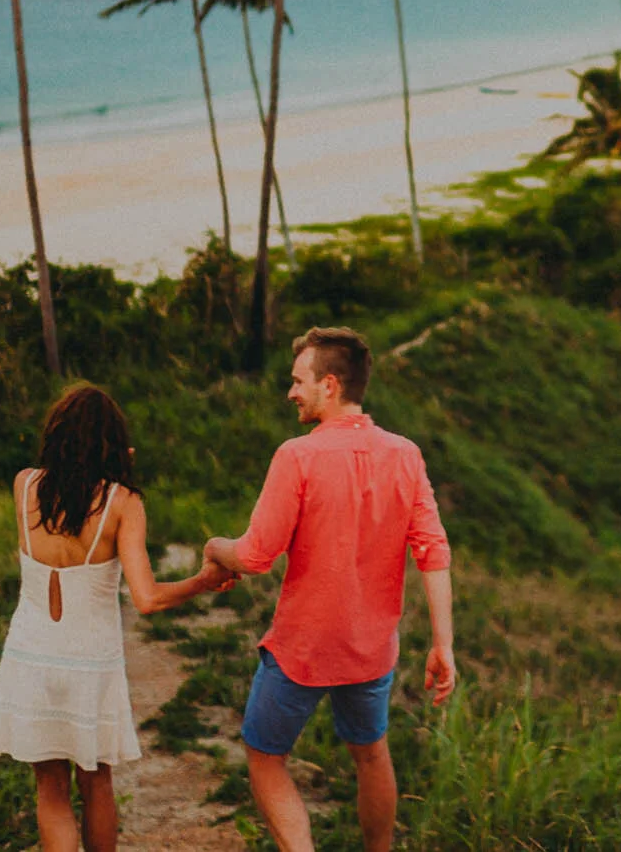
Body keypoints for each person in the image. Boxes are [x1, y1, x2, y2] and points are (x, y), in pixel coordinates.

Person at [205, 326, 456, 852]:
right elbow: (433, 549)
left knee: (265, 757)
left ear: (331, 385)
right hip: (371, 650)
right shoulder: (406, 454)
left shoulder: (297, 456)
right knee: (371, 753)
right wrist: (443, 644)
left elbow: (253, 556)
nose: (291, 392)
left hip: (303, 648)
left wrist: (213, 547)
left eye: (299, 381)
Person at [0, 383, 235, 852]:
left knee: (50, 789)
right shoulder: (123, 503)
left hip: (31, 655)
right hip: (88, 662)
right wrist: (202, 581)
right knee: (96, 782)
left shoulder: (24, 486)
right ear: (112, 443)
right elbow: (148, 599)